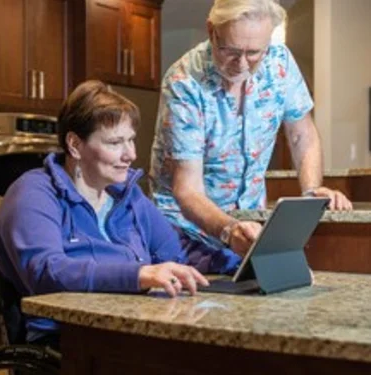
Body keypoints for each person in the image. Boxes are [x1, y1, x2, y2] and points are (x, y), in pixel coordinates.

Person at [0, 80, 209, 349]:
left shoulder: (127, 195)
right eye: (115, 142)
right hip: (68, 339)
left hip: (133, 327)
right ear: (75, 145)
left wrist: (245, 258)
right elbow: (47, 271)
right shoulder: (33, 194)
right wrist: (139, 275)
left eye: (130, 140)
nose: (131, 154)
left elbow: (179, 254)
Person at [149, 0, 352, 267]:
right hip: (184, 231)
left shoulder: (279, 62)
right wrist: (229, 230)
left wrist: (312, 190)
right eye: (230, 50)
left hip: (250, 224)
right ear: (211, 31)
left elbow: (302, 135)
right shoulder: (184, 83)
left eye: (254, 52)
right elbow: (187, 189)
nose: (241, 64)